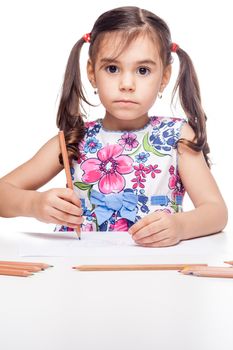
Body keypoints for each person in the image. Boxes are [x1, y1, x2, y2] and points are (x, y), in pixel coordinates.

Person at [0, 6, 228, 247]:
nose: (126, 84)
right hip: (76, 269)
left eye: (143, 70)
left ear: (164, 77)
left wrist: (181, 226)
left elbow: (216, 211)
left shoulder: (176, 138)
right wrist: (34, 204)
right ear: (92, 72)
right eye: (112, 68)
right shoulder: (74, 140)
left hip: (156, 271)